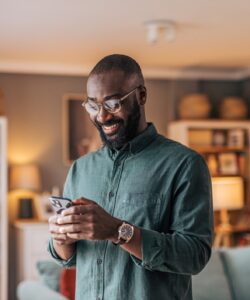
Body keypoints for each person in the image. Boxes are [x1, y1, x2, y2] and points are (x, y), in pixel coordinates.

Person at [48, 54, 213, 300]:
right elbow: (68, 259)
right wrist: (61, 238)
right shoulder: (80, 169)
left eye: (113, 104)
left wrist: (117, 230)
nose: (102, 116)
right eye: (93, 106)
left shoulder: (185, 164)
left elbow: (195, 256)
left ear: (141, 95)